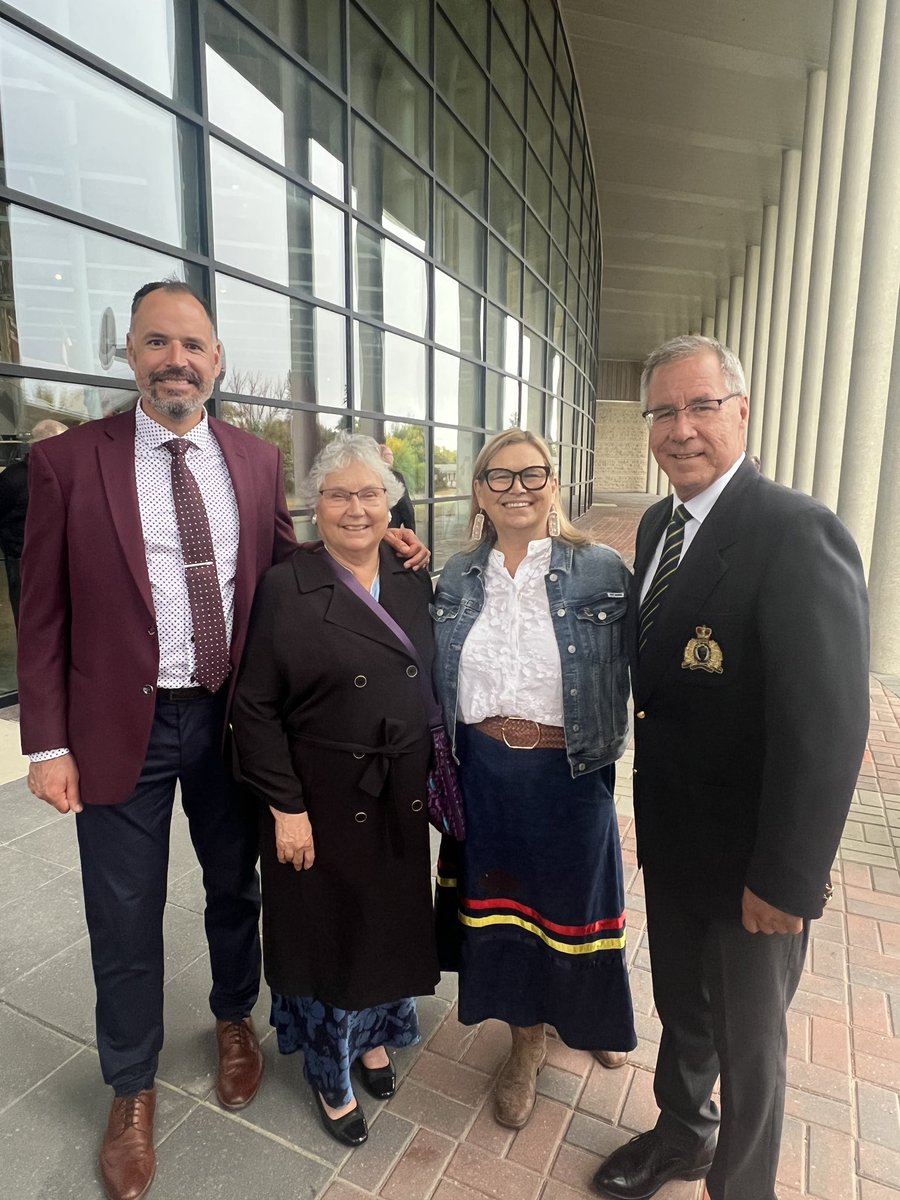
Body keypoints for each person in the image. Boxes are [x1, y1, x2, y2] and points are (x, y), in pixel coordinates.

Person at [16, 281, 429, 1200]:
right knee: (122, 917)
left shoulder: (251, 457)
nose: (178, 360)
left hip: (228, 717)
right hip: (118, 723)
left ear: (216, 361)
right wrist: (45, 744)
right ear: (130, 353)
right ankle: (131, 1087)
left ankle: (234, 1018)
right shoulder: (70, 464)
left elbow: (288, 571)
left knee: (234, 885)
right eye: (158, 343)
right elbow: (39, 611)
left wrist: (382, 546)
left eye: (194, 346)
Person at [591, 335, 869, 1200]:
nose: (681, 429)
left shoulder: (794, 532)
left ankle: (739, 1185)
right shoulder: (655, 524)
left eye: (701, 406)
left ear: (741, 412)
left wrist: (788, 882)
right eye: (664, 411)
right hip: (676, 844)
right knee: (684, 1013)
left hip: (755, 867)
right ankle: (684, 1137)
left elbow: (827, 729)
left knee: (753, 1051)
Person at [231, 433, 439, 1148]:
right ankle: (330, 1068)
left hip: (397, 792)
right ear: (315, 505)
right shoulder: (286, 585)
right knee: (329, 936)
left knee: (387, 923)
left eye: (370, 493)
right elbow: (253, 706)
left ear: (391, 502)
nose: (356, 508)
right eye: (338, 494)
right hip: (318, 797)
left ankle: (375, 1036)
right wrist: (285, 807)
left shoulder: (412, 576)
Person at [432, 428, 637, 1131]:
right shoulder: (457, 577)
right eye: (499, 477)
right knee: (508, 913)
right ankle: (524, 1046)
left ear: (554, 482)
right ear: (479, 493)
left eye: (532, 474)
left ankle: (587, 1019)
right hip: (485, 771)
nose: (516, 488)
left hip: (571, 771)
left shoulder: (604, 568)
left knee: (578, 908)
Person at [0, 418, 67, 627]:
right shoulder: (13, 479)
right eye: (62, 445)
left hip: (63, 558)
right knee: (29, 623)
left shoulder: (66, 473)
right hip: (23, 561)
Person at [378, 442, 416, 530]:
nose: (392, 457)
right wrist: (411, 531)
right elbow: (406, 507)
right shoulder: (395, 476)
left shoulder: (369, 475)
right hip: (391, 532)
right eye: (390, 454)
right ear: (383, 456)